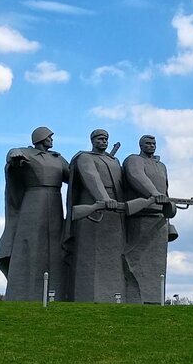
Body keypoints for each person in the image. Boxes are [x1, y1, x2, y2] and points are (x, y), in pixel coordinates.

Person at [0, 126, 70, 301]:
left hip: (55, 201)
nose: (52, 139)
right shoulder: (26, 153)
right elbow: (13, 155)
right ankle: (24, 290)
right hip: (33, 201)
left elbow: (74, 175)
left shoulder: (57, 159)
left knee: (54, 246)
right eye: (49, 137)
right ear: (40, 138)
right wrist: (13, 157)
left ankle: (56, 291)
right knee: (31, 243)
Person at [65, 129, 126, 302]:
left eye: (106, 139)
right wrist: (104, 199)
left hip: (114, 210)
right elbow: (92, 178)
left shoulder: (114, 161)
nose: (104, 141)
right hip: (93, 208)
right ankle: (87, 296)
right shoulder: (85, 157)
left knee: (114, 256)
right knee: (90, 255)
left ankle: (115, 296)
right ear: (92, 140)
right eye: (100, 139)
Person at [122, 135, 172, 304]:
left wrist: (167, 209)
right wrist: (153, 194)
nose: (151, 146)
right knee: (135, 260)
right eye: (148, 143)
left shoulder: (161, 166)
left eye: (154, 143)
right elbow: (137, 177)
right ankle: (136, 298)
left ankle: (155, 299)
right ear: (141, 145)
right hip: (141, 217)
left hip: (159, 217)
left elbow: (165, 190)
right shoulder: (134, 160)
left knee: (157, 265)